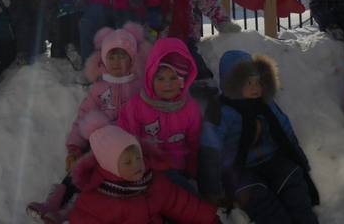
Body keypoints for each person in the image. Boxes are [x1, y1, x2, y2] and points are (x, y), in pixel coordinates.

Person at [26, 23, 152, 223]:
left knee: (94, 174)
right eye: (111, 56)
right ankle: (54, 201)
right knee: (80, 166)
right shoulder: (99, 88)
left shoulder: (139, 85)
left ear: (132, 58)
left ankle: (71, 208)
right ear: (103, 59)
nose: (116, 62)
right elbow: (84, 116)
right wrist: (75, 146)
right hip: (101, 140)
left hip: (126, 145)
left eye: (122, 56)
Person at [198, 50, 320, 224]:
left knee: (292, 182)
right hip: (238, 168)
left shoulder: (266, 103)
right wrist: (211, 189)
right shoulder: (221, 109)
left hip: (271, 159)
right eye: (248, 82)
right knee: (257, 197)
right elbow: (210, 147)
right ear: (233, 83)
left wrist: (300, 161)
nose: (255, 87)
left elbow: (285, 131)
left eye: (259, 81)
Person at [68, 111, 221, 224]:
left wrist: (210, 220)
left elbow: (181, 204)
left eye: (138, 158)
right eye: (128, 162)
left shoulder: (153, 181)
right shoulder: (95, 203)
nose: (136, 164)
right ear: (110, 166)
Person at [118, 37, 202, 195]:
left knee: (185, 197)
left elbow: (194, 143)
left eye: (173, 78)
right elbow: (126, 140)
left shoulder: (189, 108)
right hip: (145, 168)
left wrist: (192, 171)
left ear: (183, 80)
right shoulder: (136, 106)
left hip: (177, 169)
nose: (167, 84)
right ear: (151, 78)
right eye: (161, 78)